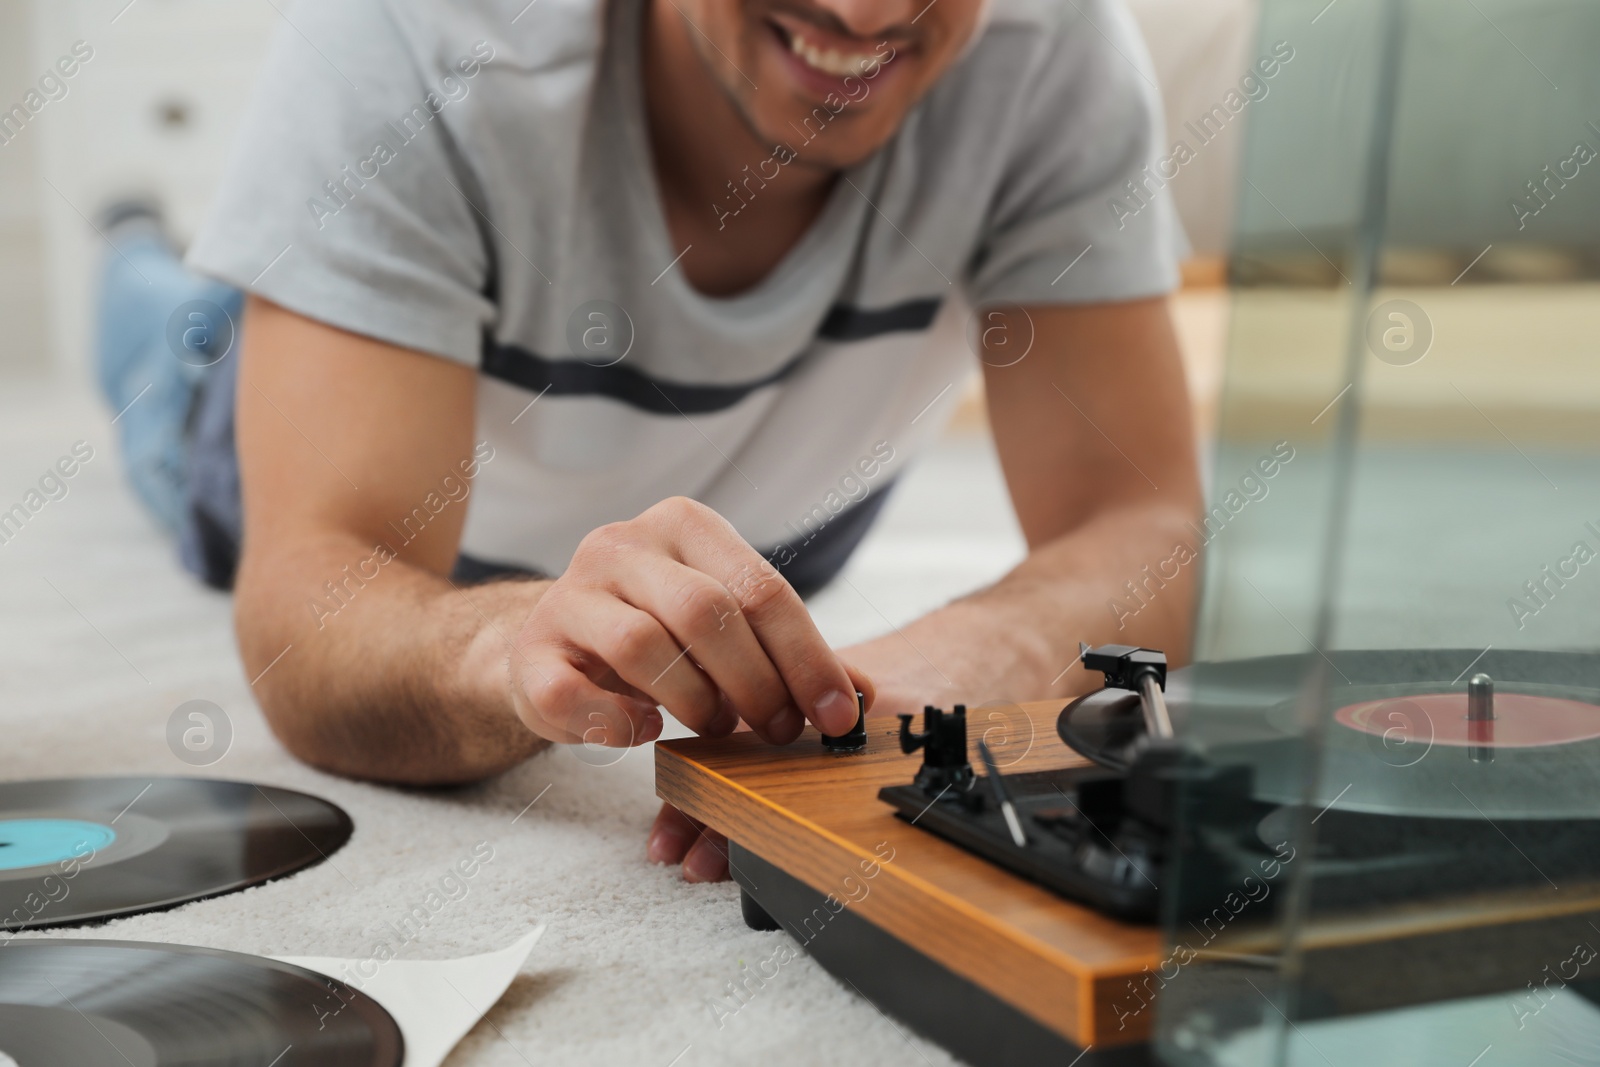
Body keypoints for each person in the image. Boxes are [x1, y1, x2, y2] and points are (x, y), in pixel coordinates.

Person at [98, 0, 1200, 882]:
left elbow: (1152, 521)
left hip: (775, 526)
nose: (867, 14)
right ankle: (133, 241)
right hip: (346, 480)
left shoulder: (1055, 49)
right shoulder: (408, 38)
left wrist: (964, 660)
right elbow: (310, 603)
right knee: (162, 334)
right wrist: (512, 647)